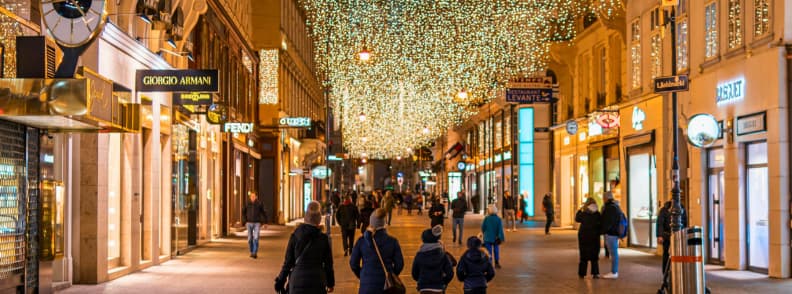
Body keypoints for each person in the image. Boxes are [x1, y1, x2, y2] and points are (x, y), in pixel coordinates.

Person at [275, 201, 335, 293]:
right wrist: (330, 283)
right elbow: (328, 265)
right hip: (317, 283)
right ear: (319, 219)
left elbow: (288, 263)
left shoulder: (295, 236)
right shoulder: (323, 239)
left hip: (297, 282)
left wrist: (280, 281)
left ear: (305, 217)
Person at [350, 209, 405, 294]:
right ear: (384, 224)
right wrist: (391, 274)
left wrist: (362, 275)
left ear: (371, 224)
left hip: (367, 285)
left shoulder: (361, 241)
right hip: (386, 286)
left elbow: (353, 263)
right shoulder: (392, 241)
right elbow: (400, 264)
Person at [412, 225, 454, 293]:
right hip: (438, 288)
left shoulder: (419, 255)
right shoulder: (443, 255)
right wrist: (443, 281)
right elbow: (450, 273)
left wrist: (421, 280)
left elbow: (414, 273)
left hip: (424, 288)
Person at [657, 200, 687, 275]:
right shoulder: (664, 209)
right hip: (667, 236)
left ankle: (677, 273)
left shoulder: (682, 209)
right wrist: (660, 235)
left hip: (679, 235)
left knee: (678, 254)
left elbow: (685, 222)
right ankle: (665, 273)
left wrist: (684, 234)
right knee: (667, 254)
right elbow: (660, 223)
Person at [576, 198, 601, 279]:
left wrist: (580, 209)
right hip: (594, 236)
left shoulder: (584, 213)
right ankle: (595, 273)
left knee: (583, 255)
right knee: (594, 255)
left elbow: (577, 219)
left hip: (584, 235)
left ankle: (582, 273)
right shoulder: (597, 213)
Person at [600, 191, 623, 279]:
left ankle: (614, 272)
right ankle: (614, 271)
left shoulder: (610, 208)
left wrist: (603, 230)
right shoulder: (615, 206)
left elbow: (608, 222)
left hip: (611, 233)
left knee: (613, 253)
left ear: (606, 198)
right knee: (614, 253)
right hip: (614, 233)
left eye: (603, 198)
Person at [242, 192, 267, 258]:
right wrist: (245, 221)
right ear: (250, 197)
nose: (252, 197)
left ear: (256, 197)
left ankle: (254, 252)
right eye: (251, 196)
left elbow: (263, 213)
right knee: (250, 239)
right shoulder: (247, 203)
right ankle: (251, 251)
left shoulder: (259, 204)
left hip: (257, 223)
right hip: (249, 223)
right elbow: (243, 212)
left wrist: (265, 222)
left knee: (256, 238)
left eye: (254, 196)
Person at [481, 205, 505, 269]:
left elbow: (483, 228)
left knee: (488, 251)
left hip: (487, 238)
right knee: (496, 250)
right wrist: (501, 237)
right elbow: (500, 229)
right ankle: (497, 263)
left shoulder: (486, 219)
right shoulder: (498, 219)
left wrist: (484, 233)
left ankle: (489, 263)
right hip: (495, 238)